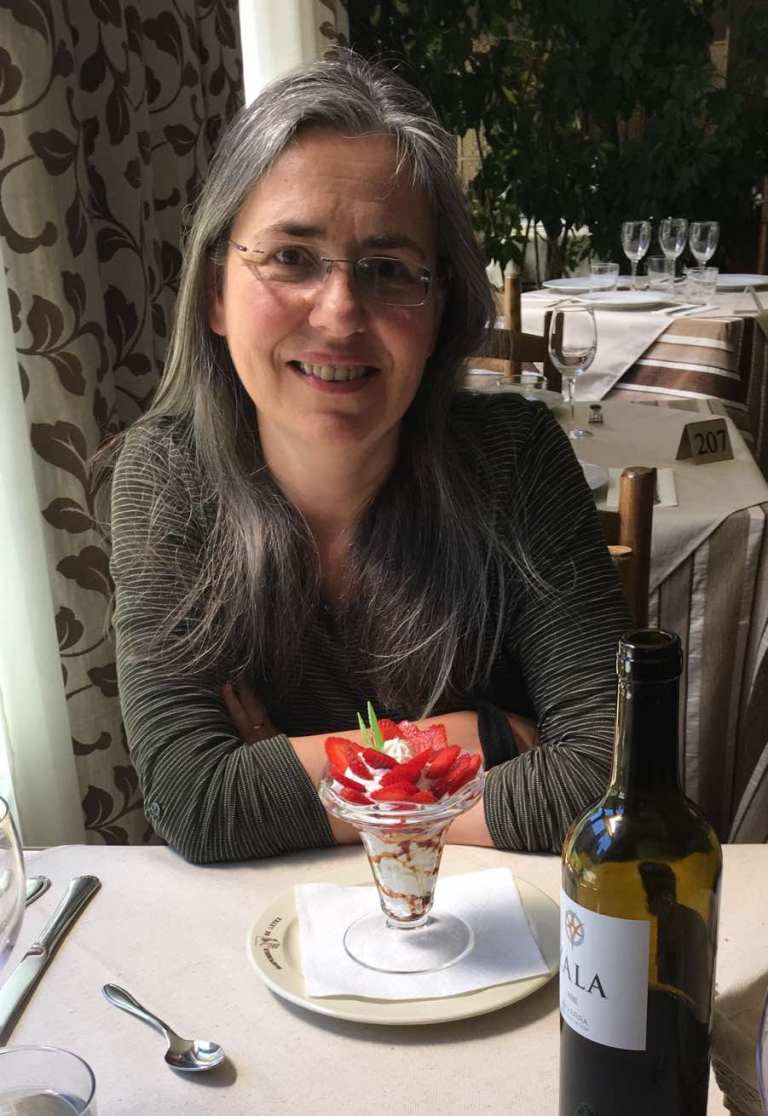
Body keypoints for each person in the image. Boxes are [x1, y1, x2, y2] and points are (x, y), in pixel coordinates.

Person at [107, 50, 630, 865]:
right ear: (214, 292)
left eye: (388, 270)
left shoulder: (517, 459)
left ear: (440, 307)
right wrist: (486, 737)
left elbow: (605, 778)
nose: (340, 313)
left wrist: (292, 772)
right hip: (273, 929)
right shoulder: (167, 473)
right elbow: (198, 799)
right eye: (291, 257)